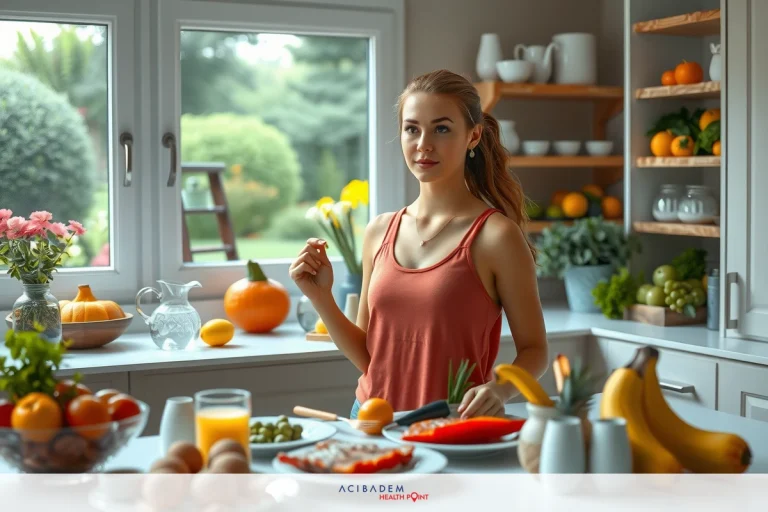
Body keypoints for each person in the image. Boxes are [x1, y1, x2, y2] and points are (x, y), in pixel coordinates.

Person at [289, 69, 548, 420]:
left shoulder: (495, 236)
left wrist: (499, 388)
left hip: (452, 426)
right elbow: (370, 356)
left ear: (473, 136)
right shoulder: (379, 231)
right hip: (370, 420)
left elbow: (535, 351)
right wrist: (320, 297)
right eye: (412, 129)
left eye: (441, 128)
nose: (423, 143)